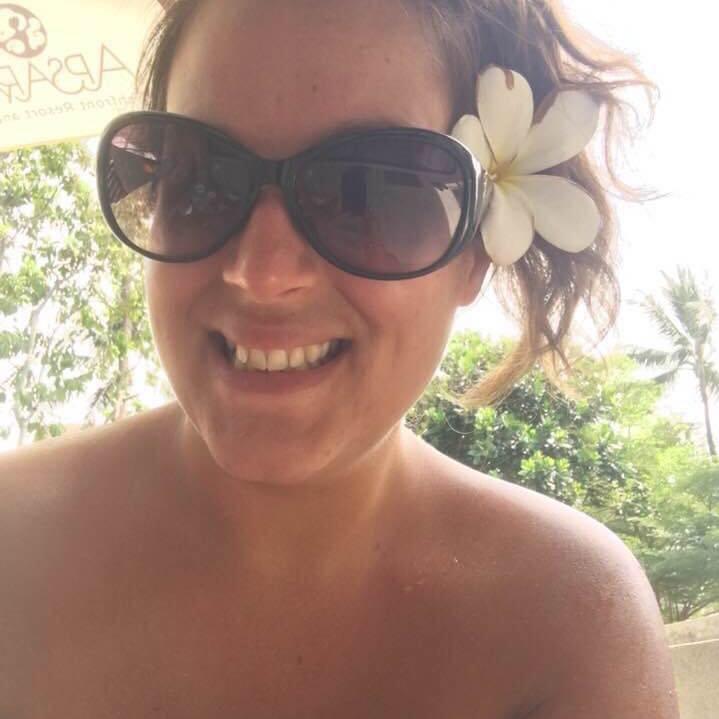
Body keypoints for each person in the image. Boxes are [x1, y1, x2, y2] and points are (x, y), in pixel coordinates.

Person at [0, 0, 680, 716]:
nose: (262, 273)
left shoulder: (567, 621)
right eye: (202, 180)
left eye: (368, 191)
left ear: (475, 254)